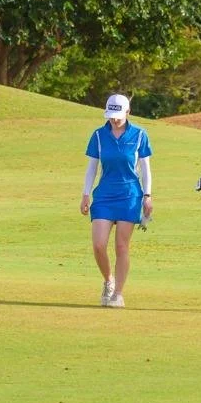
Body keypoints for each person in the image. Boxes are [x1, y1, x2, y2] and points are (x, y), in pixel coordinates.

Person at [80, 93, 153, 308]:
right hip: (103, 196)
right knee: (99, 244)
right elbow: (92, 167)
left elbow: (146, 169)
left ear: (128, 112)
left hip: (130, 195)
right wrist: (85, 194)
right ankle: (108, 280)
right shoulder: (99, 135)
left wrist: (147, 196)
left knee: (122, 246)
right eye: (111, 115)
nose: (115, 119)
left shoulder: (140, 135)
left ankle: (118, 294)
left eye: (119, 115)